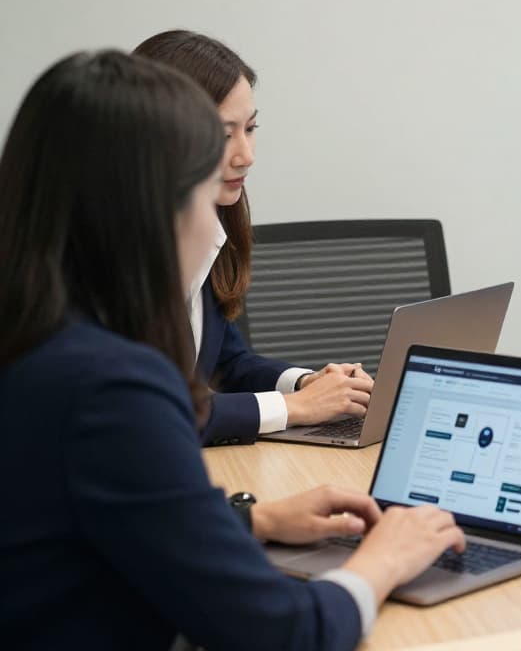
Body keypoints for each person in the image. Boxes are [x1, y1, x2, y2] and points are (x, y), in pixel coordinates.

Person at [0, 51, 465, 649]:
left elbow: (95, 522)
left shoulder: (36, 338)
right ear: (145, 209)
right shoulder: (111, 388)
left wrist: (254, 520)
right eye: (200, 192)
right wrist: (385, 559)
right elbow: (283, 634)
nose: (212, 225)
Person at [133, 30, 372, 446]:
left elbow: (228, 363)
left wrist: (307, 384)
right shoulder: (114, 261)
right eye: (225, 135)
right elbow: (150, 410)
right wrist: (294, 409)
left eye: (251, 127)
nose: (247, 155)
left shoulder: (204, 230)